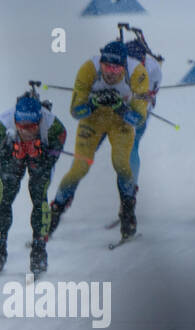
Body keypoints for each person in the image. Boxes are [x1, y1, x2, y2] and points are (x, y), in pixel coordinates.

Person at [49, 40, 149, 240]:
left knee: (121, 163)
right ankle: (55, 212)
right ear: (100, 63)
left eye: (116, 67)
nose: (110, 73)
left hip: (120, 122)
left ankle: (128, 212)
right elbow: (76, 111)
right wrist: (94, 104)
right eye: (106, 66)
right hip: (92, 121)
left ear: (124, 66)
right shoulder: (88, 69)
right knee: (79, 167)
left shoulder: (137, 74)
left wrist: (121, 107)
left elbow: (138, 119)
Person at [0, 92, 67, 275]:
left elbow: (59, 141)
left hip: (40, 157)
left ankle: (39, 249)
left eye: (32, 127)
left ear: (40, 121)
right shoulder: (1, 125)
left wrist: (42, 158)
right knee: (5, 196)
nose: (26, 131)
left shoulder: (53, 124)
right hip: (13, 157)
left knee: (39, 197)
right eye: (21, 126)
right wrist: (13, 156)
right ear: (14, 121)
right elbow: (2, 155)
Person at [123, 36, 162, 194]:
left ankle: (131, 188)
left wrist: (131, 96)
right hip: (121, 108)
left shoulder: (153, 70)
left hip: (140, 112)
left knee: (133, 145)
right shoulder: (122, 63)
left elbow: (147, 97)